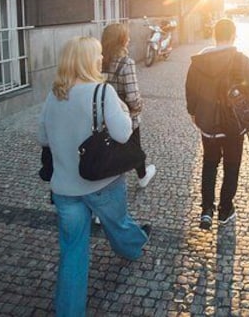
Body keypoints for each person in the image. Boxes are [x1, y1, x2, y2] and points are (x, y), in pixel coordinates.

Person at [38, 36, 150, 316]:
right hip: (102, 183)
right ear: (87, 60)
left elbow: (42, 137)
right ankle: (134, 247)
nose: (102, 59)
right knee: (119, 224)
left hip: (64, 188)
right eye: (98, 55)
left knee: (72, 252)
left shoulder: (54, 94)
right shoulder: (103, 92)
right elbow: (123, 133)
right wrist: (124, 110)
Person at [185, 18, 249, 230]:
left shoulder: (198, 62)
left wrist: (193, 113)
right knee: (232, 166)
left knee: (209, 164)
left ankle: (206, 210)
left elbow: (190, 90)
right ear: (233, 35)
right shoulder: (243, 61)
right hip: (234, 125)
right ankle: (225, 209)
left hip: (208, 123)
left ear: (215, 36)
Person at [102, 23, 156, 188]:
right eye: (127, 37)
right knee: (134, 147)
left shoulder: (100, 61)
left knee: (106, 147)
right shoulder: (126, 63)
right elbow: (133, 97)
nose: (129, 39)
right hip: (124, 115)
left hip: (104, 115)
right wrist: (139, 107)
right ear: (122, 40)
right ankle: (142, 176)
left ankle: (105, 180)